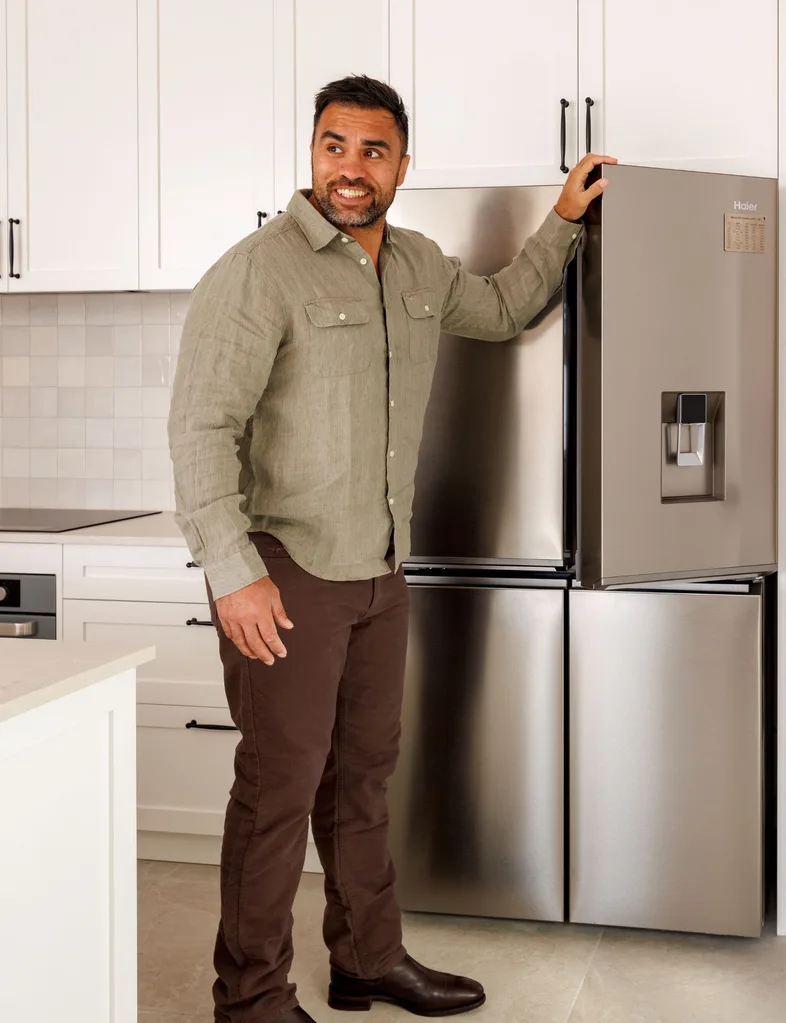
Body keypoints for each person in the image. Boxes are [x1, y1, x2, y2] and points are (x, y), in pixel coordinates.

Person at [169, 74, 615, 1023]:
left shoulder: (415, 265)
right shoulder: (257, 270)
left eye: (373, 151)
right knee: (277, 794)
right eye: (335, 146)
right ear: (314, 151)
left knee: (364, 781)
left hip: (380, 571)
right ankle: (249, 998)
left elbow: (501, 309)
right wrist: (232, 573)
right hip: (283, 573)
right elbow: (201, 428)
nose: (351, 169)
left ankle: (369, 960)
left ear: (403, 166)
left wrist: (563, 220)